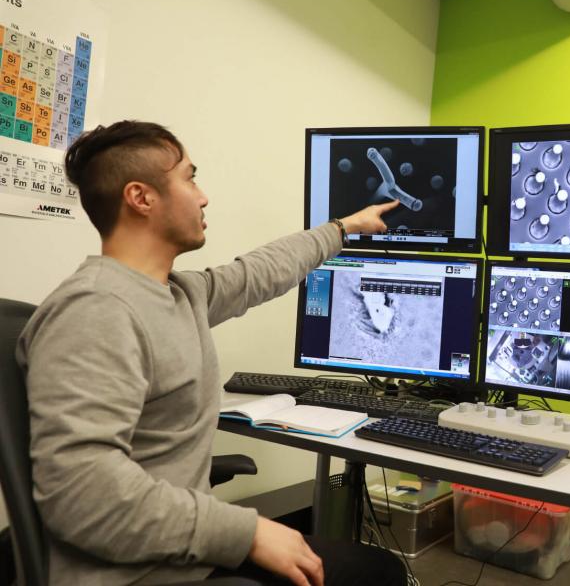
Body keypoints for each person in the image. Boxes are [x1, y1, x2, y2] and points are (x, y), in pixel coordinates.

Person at [15, 121, 406, 586]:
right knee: (373, 574)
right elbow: (83, 495)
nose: (203, 197)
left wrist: (343, 228)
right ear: (141, 198)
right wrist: (248, 531)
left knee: (375, 568)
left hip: (180, 552)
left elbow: (257, 273)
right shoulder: (96, 312)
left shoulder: (175, 293)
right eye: (189, 177)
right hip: (133, 574)